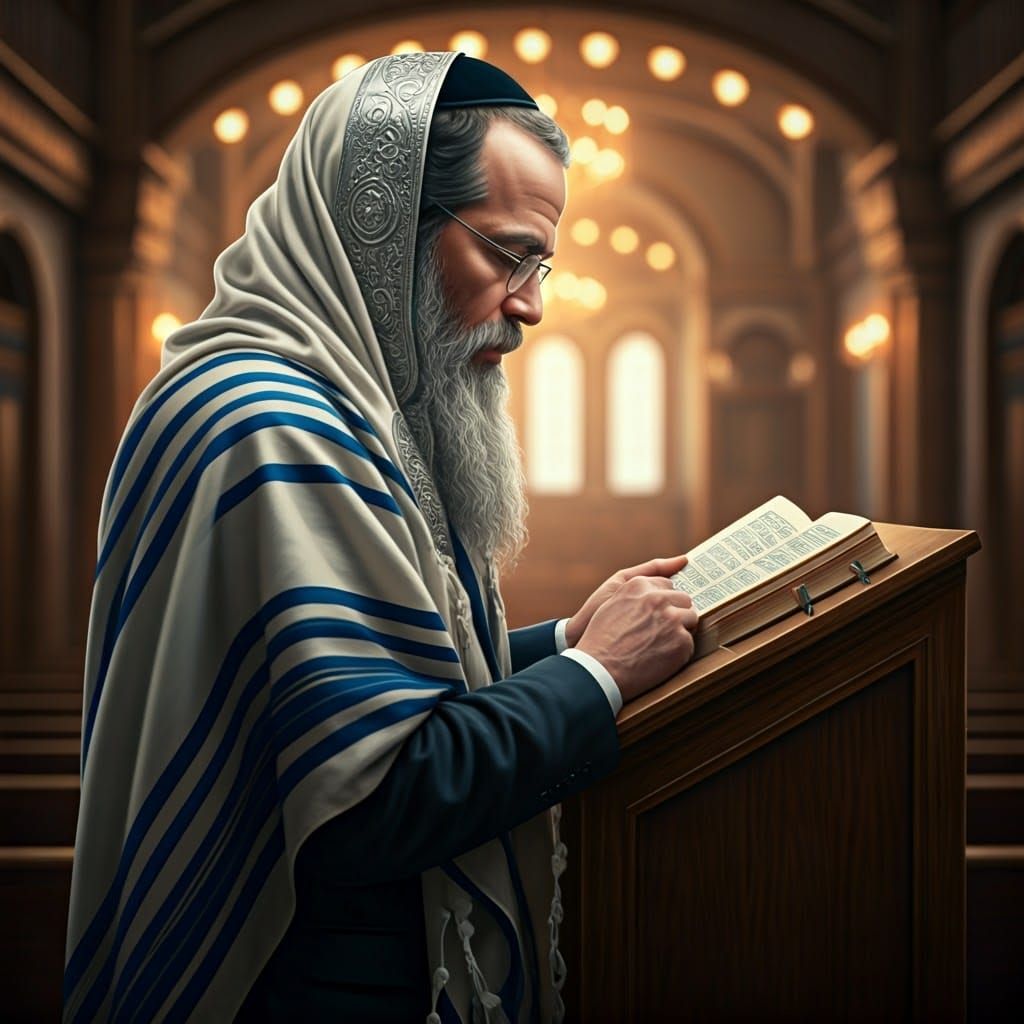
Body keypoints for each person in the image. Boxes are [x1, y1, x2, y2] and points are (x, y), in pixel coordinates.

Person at [63, 52, 698, 1024]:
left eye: (542, 267)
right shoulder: (269, 424)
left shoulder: (341, 406)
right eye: (507, 255)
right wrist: (598, 677)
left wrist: (567, 644)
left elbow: (377, 690)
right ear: (381, 225)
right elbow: (371, 797)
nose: (531, 305)